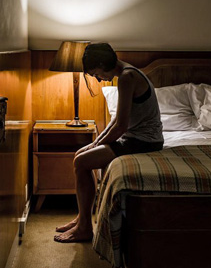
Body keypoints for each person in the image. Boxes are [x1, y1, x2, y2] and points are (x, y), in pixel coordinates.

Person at [54, 42, 164, 243]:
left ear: (102, 65)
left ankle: (85, 228)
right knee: (80, 155)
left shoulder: (127, 78)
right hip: (134, 138)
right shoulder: (126, 73)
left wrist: (95, 145)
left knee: (81, 161)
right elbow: (116, 120)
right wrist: (95, 142)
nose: (98, 79)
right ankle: (82, 218)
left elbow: (120, 127)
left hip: (143, 142)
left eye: (96, 74)